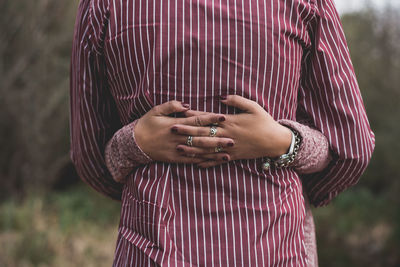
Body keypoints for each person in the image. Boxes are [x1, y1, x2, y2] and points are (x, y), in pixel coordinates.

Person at [69, 0, 375, 266]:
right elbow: (351, 148)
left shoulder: (102, 4)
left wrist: (134, 144)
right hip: (276, 247)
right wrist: (286, 144)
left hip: (150, 249)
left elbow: (91, 158)